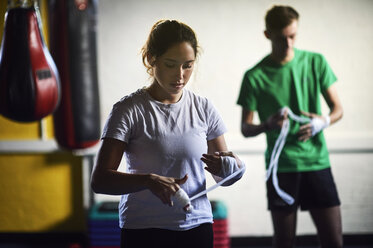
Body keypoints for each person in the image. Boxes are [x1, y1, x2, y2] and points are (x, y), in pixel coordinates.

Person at [91, 19, 245, 248]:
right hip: (144, 229)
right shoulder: (128, 110)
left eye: (188, 65)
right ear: (151, 59)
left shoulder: (203, 108)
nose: (181, 75)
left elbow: (227, 176)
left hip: (197, 224)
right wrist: (148, 180)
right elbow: (100, 180)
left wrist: (231, 167)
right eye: (171, 64)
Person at [236, 5, 343, 248]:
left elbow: (338, 109)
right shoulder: (255, 76)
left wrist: (322, 122)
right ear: (268, 35)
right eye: (282, 37)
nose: (288, 43)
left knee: (334, 241)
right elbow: (245, 127)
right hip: (281, 167)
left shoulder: (316, 62)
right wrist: (267, 124)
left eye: (293, 36)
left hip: (317, 161)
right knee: (284, 241)